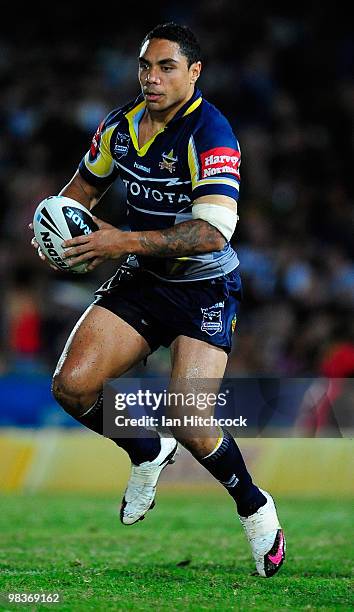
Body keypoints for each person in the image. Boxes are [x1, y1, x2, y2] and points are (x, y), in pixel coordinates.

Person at [30, 22, 285, 578]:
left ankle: (255, 507)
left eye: (166, 67)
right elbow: (81, 189)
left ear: (195, 73)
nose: (152, 77)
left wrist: (118, 239)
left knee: (192, 419)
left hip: (203, 287)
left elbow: (213, 232)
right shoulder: (121, 126)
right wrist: (57, 226)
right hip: (145, 279)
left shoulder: (211, 134)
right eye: (145, 66)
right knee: (72, 387)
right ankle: (147, 449)